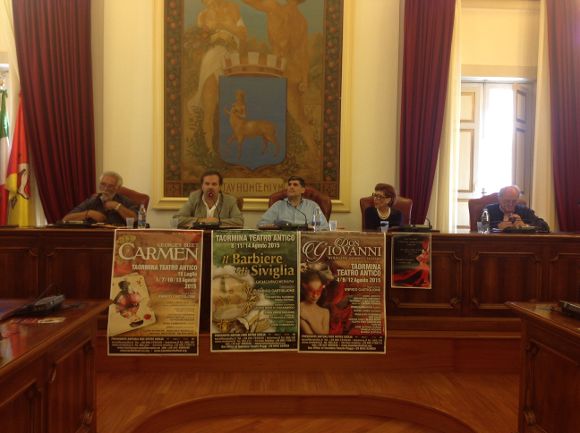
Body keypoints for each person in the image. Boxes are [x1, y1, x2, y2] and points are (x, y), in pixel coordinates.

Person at [62, 171, 138, 226]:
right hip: (95, 237)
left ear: (118, 188)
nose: (105, 189)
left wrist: (117, 206)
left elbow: (135, 219)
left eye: (110, 186)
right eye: (103, 184)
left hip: (117, 237)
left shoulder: (126, 201)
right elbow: (66, 219)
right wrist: (89, 213)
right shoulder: (92, 200)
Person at [174, 170, 243, 228]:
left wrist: (217, 222)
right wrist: (201, 220)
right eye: (207, 184)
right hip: (198, 238)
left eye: (214, 184)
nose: (210, 187)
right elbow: (176, 220)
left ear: (220, 187)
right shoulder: (194, 198)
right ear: (202, 186)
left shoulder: (229, 200)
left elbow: (239, 221)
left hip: (219, 238)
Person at [257, 176, 329, 229]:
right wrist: (277, 226)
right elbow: (261, 224)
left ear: (303, 190)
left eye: (295, 185)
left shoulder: (312, 206)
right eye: (289, 184)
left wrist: (310, 228)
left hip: (306, 240)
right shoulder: (278, 205)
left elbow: (324, 227)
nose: (291, 187)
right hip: (284, 239)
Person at [483, 185, 549, 232]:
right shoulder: (489, 210)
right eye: (507, 201)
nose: (510, 204)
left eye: (514, 201)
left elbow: (545, 226)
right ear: (499, 199)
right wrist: (497, 227)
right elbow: (482, 229)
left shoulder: (525, 211)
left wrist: (525, 226)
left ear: (518, 200)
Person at [299, 269, 329, 335]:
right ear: (303, 289)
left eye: (318, 291)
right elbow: (310, 337)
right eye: (311, 291)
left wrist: (308, 318)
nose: (315, 296)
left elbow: (324, 336)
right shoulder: (300, 308)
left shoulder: (325, 312)